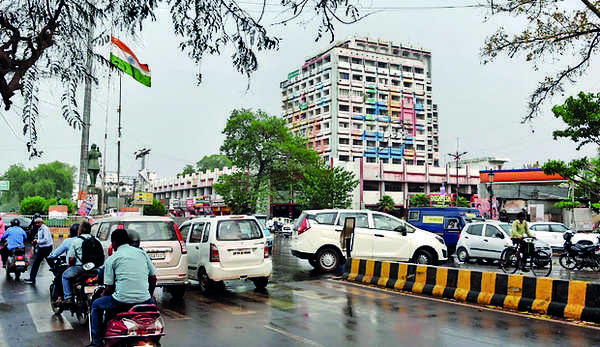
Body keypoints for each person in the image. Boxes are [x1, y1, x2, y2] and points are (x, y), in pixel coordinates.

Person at [88, 228, 157, 347]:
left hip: (121, 301)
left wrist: (103, 294)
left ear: (114, 242)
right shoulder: (142, 253)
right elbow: (153, 278)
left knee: (95, 305)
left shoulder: (113, 259)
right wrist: (149, 295)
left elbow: (109, 288)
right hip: (145, 300)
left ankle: (96, 342)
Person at [61, 220, 93, 304]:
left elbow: (71, 259)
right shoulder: (96, 239)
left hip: (80, 268)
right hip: (95, 268)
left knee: (64, 276)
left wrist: (70, 266)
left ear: (80, 231)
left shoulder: (76, 241)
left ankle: (68, 297)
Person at [24, 218, 53, 284]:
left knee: (51, 263)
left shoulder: (44, 229)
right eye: (36, 223)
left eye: (38, 223)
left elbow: (46, 239)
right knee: (36, 263)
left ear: (41, 222)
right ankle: (32, 278)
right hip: (41, 248)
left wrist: (37, 241)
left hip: (46, 248)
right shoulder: (39, 228)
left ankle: (58, 277)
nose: (36, 224)